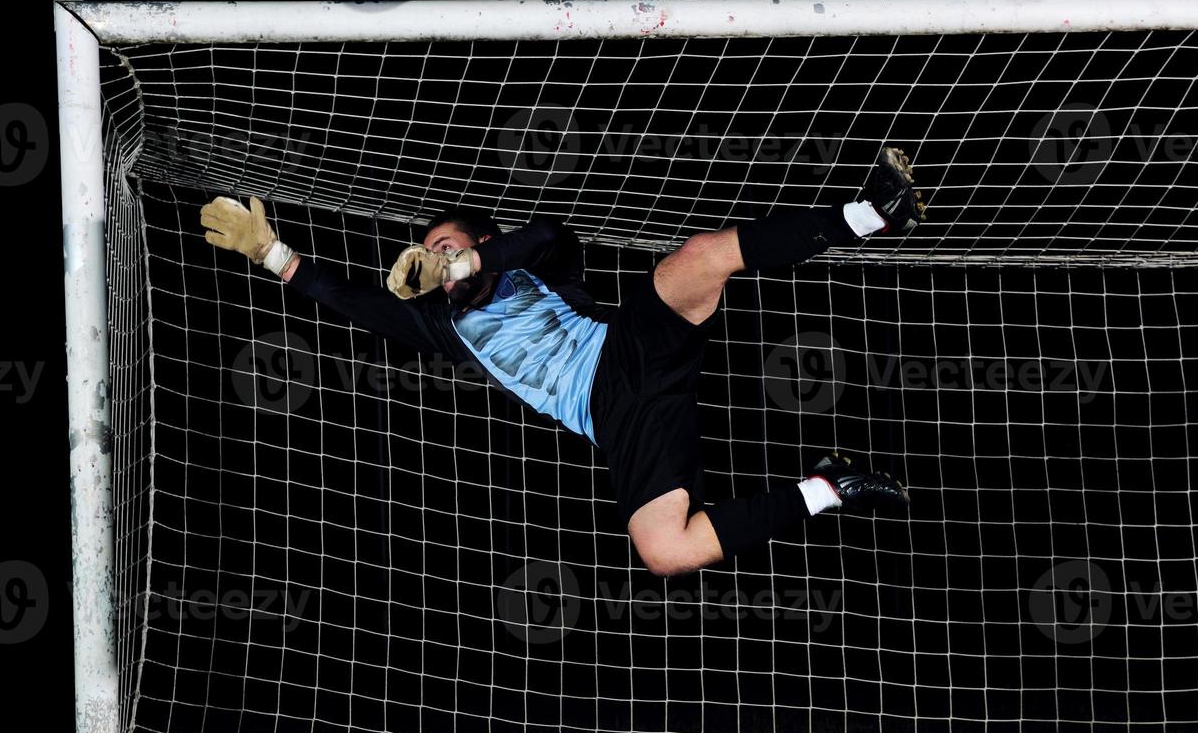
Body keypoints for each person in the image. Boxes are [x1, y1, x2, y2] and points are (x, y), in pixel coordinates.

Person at [199, 147, 927, 576]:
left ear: (478, 245)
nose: (436, 257)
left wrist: (468, 263)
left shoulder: (535, 269)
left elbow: (548, 231)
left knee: (700, 258)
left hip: (628, 344)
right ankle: (830, 488)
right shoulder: (446, 331)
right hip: (615, 415)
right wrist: (271, 253)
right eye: (429, 251)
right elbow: (351, 298)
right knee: (663, 551)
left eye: (447, 246)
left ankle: (872, 214)